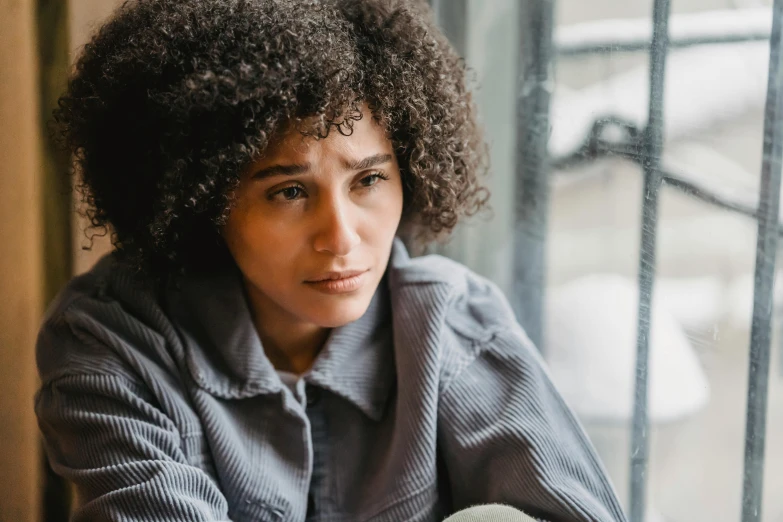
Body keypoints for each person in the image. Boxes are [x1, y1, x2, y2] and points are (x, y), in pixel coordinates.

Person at [34, 0, 627, 521]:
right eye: (289, 192)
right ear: (201, 198)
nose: (341, 238)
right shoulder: (111, 340)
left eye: (368, 178)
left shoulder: (451, 322)